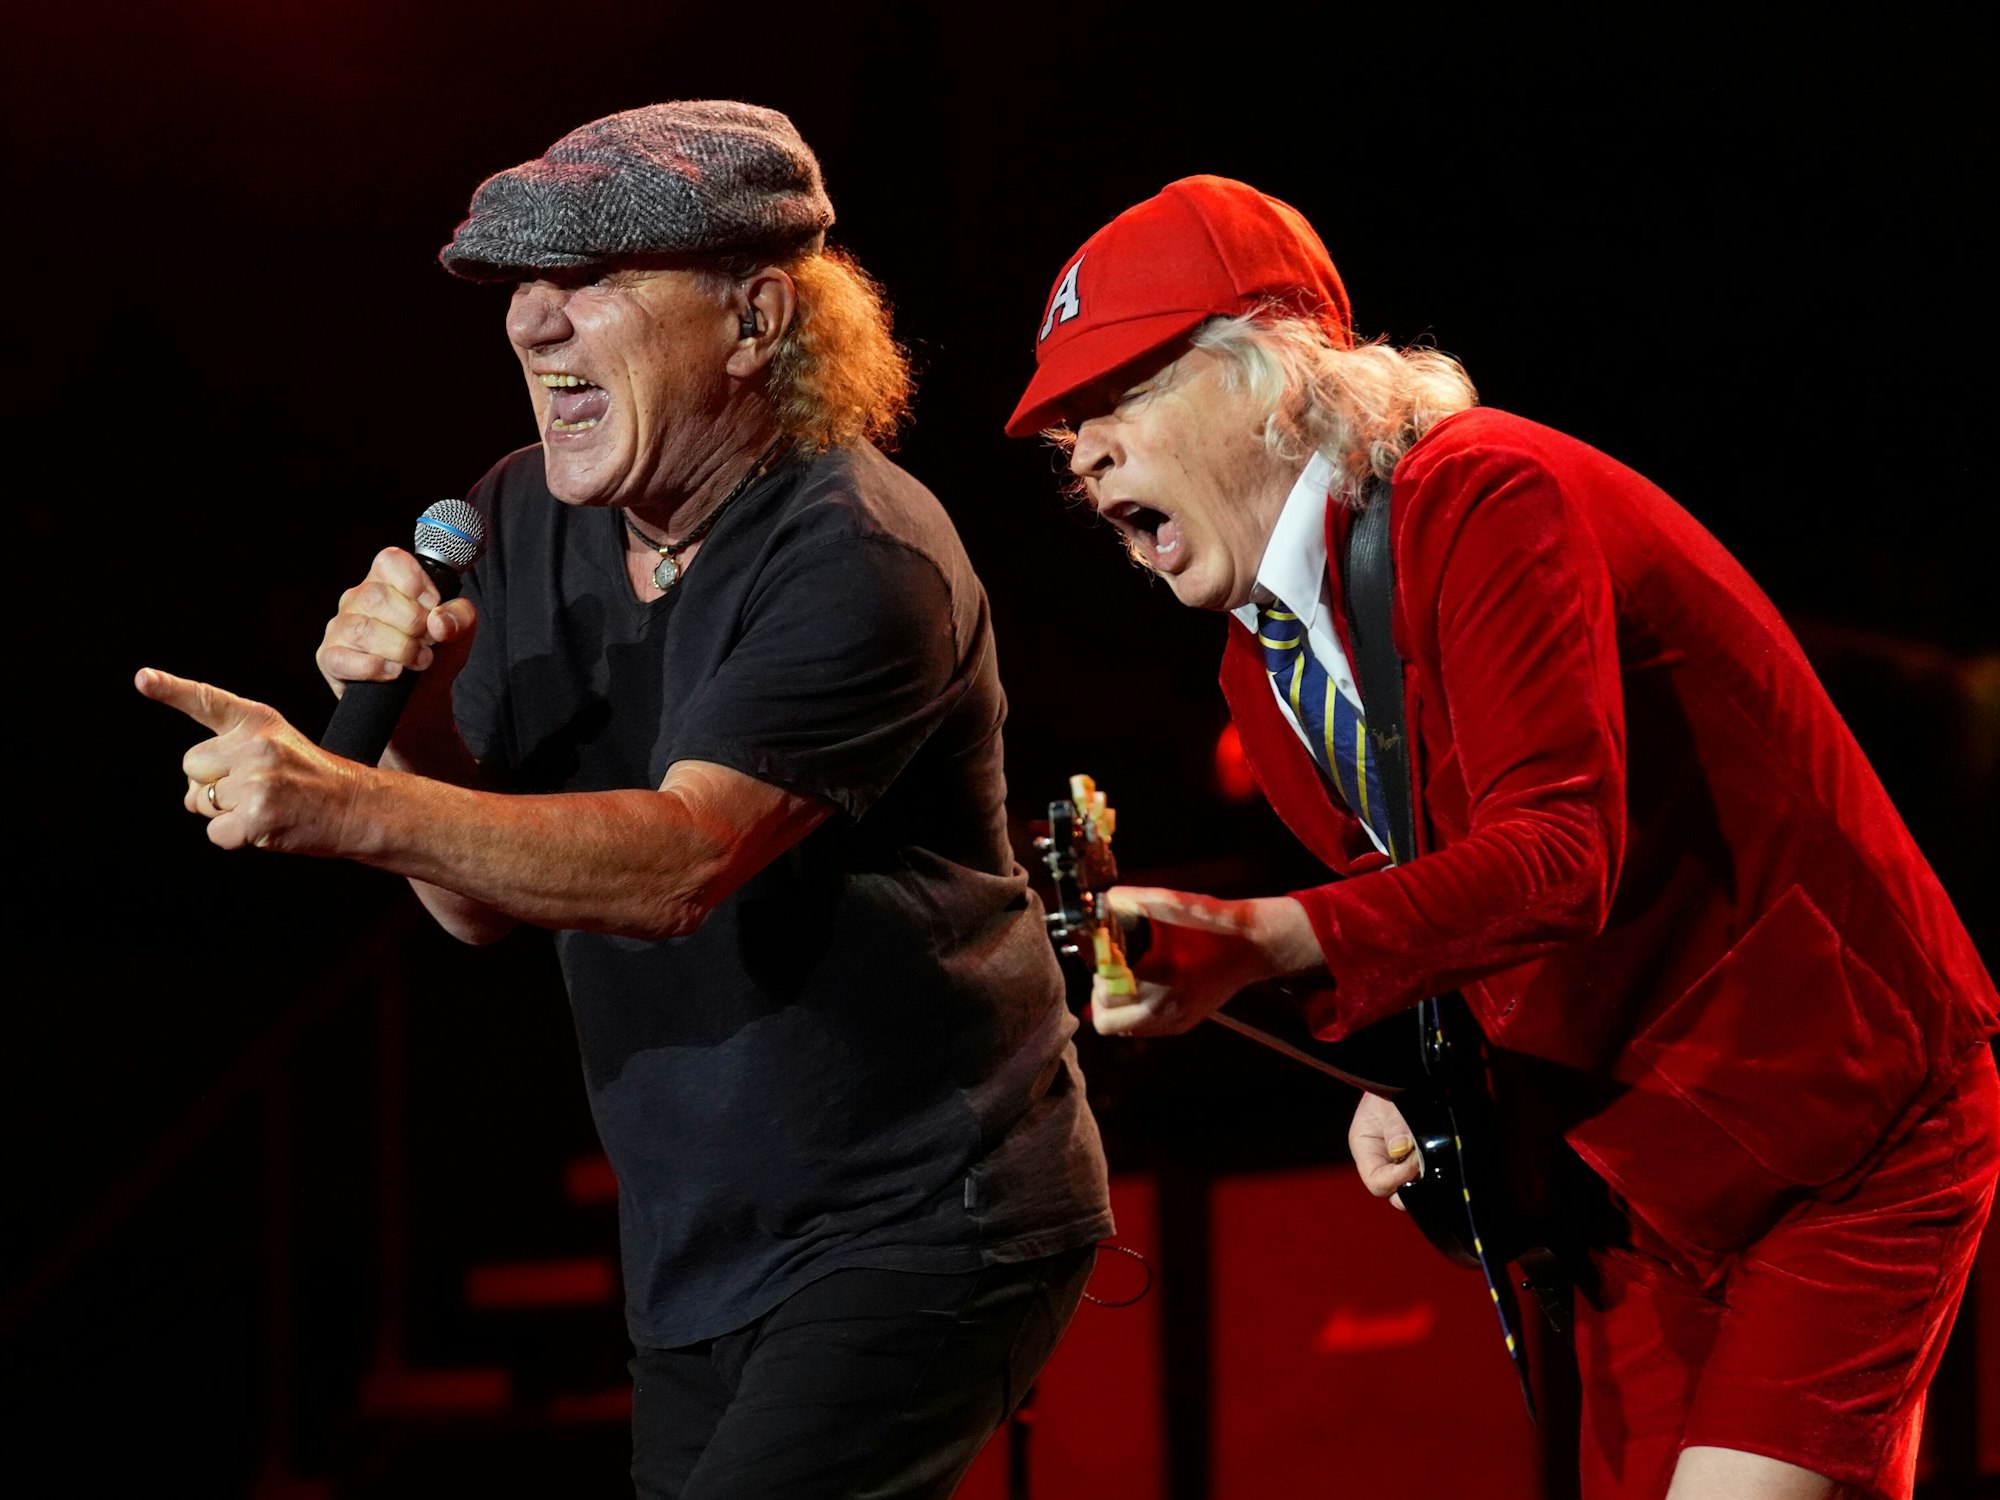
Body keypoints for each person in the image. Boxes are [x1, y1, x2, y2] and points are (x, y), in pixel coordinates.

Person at [138, 100, 1112, 1498]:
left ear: (756, 319)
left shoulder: (860, 552)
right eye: (521, 287)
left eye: (589, 281)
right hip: (696, 1246)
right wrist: (414, 725)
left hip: (922, 1217)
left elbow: (680, 865)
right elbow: (478, 910)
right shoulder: (521, 517)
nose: (532, 323)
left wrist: (341, 802)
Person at [1003, 174, 2000, 1500]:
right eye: (1069, 429)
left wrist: (1267, 938)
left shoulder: (1484, 497)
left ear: (1268, 376)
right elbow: (1450, 917)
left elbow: (1559, 854)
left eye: (1118, 396)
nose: (1083, 454)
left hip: (1838, 1125)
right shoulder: (1260, 666)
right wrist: (1419, 1078)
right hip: (1642, 1177)